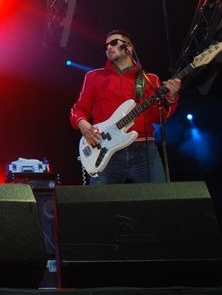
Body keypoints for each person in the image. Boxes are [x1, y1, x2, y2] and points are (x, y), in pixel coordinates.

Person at [69, 29, 181, 185]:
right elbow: (77, 110)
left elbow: (159, 117)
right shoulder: (94, 76)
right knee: (100, 200)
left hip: (144, 151)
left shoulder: (149, 79)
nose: (109, 47)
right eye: (106, 46)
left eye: (114, 43)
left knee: (160, 198)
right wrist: (83, 125)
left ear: (129, 46)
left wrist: (171, 98)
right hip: (104, 151)